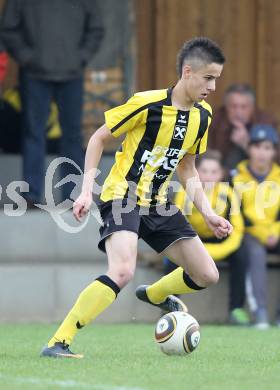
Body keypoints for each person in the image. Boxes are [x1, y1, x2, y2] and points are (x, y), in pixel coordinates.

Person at [40, 37, 232, 358]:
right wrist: (86, 189)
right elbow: (99, 138)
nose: (213, 87)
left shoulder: (203, 116)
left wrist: (209, 212)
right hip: (121, 196)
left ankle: (156, 294)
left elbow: (188, 169)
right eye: (208, 78)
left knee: (207, 274)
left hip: (158, 203)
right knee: (123, 271)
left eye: (216, 79)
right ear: (188, 72)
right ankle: (59, 341)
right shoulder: (147, 103)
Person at [0, 0, 104, 204]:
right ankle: (31, 194)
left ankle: (72, 194)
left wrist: (80, 57)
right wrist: (28, 58)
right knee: (33, 132)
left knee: (72, 135)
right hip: (34, 74)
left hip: (72, 73)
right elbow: (9, 29)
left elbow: (96, 28)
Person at [164, 150, 248, 325]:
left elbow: (237, 232)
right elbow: (178, 228)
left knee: (242, 255)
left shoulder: (228, 193)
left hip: (219, 241)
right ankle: (171, 310)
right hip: (192, 239)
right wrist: (198, 251)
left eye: (214, 172)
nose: (209, 176)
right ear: (196, 172)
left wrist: (208, 253)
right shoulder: (186, 193)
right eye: (204, 171)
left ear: (221, 174)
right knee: (172, 261)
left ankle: (236, 309)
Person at [231, 124, 280, 329]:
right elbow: (236, 213)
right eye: (257, 147)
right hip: (248, 234)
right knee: (255, 253)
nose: (262, 153)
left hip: (276, 233)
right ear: (249, 148)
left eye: (267, 148)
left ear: (274, 151)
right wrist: (263, 234)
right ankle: (259, 312)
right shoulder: (235, 177)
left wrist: (274, 233)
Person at [208, 84, 278, 170]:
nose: (238, 112)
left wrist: (246, 143)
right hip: (222, 175)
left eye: (244, 107)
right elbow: (207, 155)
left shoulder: (266, 122)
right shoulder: (214, 120)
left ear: (252, 108)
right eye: (234, 106)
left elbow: (275, 158)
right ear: (226, 107)